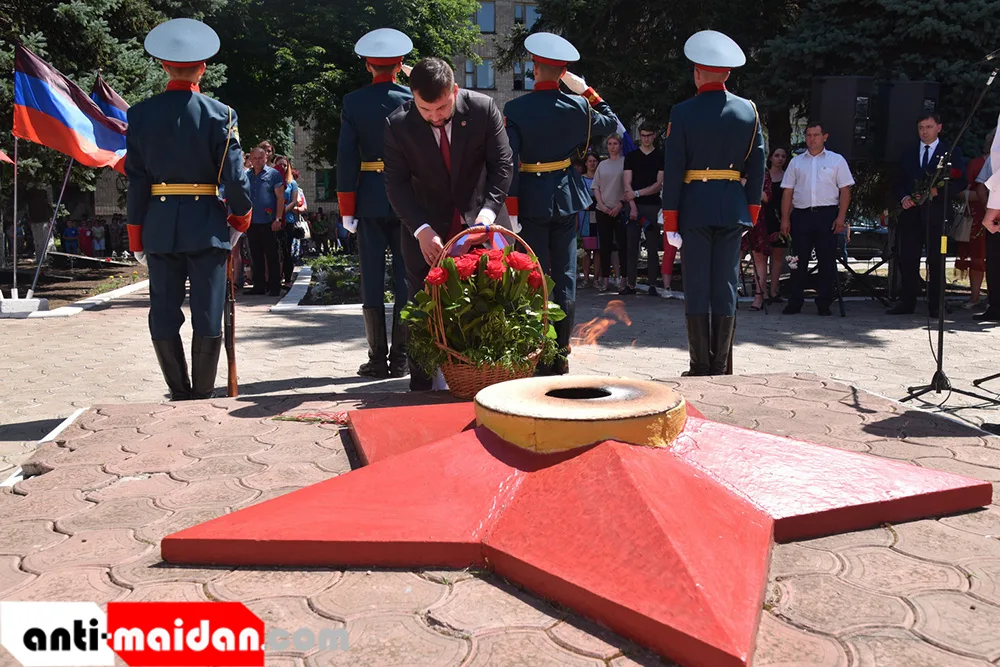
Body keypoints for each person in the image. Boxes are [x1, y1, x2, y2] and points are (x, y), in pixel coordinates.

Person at [125, 18, 252, 400]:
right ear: (203, 68)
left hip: (160, 225)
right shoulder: (221, 114)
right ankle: (202, 393)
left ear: (165, 66)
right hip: (206, 225)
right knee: (208, 312)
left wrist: (136, 234)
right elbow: (235, 178)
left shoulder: (140, 114)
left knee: (163, 313)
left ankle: (178, 390)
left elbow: (136, 180)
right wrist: (240, 216)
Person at [383, 56, 513, 390]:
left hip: (481, 218)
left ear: (454, 90)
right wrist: (421, 230)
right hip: (428, 226)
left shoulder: (483, 109)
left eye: (442, 107)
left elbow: (502, 166)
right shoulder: (398, 124)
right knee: (421, 306)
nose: (435, 117)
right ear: (413, 97)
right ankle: (422, 385)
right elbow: (396, 185)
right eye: (425, 110)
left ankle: (493, 382)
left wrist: (486, 217)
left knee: (493, 302)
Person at [503, 32, 620, 374]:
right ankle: (560, 354)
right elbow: (613, 123)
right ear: (564, 73)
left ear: (535, 69)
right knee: (566, 276)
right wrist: (585, 91)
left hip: (531, 198)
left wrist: (512, 208)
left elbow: (510, 162)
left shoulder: (515, 109)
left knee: (535, 276)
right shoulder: (579, 106)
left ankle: (537, 351)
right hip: (566, 197)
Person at [660, 30, 765, 376]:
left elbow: (674, 169)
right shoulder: (748, 111)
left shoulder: (682, 112)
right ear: (728, 73)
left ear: (697, 73)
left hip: (694, 208)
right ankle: (721, 365)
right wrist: (751, 211)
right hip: (732, 207)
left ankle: (700, 364)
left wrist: (671, 221)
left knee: (697, 286)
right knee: (726, 286)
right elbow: (758, 165)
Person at [337, 28, 414, 379]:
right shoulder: (412, 99)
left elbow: (346, 158)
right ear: (400, 65)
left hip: (368, 197)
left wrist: (347, 207)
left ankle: (377, 358)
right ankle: (401, 358)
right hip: (406, 197)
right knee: (405, 277)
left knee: (371, 277)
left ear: (368, 65)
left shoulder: (353, 102)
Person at [890, 112, 966, 317]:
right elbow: (898, 182)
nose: (924, 132)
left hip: (937, 215)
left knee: (936, 260)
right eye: (921, 128)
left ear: (939, 128)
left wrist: (938, 191)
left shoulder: (950, 152)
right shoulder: (908, 153)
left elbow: (961, 182)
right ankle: (907, 302)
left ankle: (936, 304)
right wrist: (904, 197)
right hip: (911, 215)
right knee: (908, 259)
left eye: (929, 127)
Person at [780, 122, 854, 316]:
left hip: (827, 215)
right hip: (801, 215)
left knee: (827, 260)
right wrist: (785, 219)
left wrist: (841, 217)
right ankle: (795, 302)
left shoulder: (836, 160)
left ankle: (824, 303)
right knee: (798, 260)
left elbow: (845, 190)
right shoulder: (796, 162)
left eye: (816, 135)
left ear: (825, 137)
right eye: (808, 135)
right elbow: (787, 192)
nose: (812, 139)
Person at [624, 121, 667, 297]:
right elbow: (626, 183)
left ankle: (652, 285)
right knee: (631, 246)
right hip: (633, 206)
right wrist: (633, 205)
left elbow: (658, 185)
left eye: (649, 135)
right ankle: (630, 284)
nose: (646, 139)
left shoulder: (660, 156)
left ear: (654, 136)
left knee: (652, 247)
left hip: (652, 206)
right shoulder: (631, 156)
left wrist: (637, 193)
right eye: (643, 135)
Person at [746, 146, 788, 309]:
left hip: (779, 217)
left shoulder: (787, 176)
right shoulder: (763, 174)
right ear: (770, 158)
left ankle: (773, 290)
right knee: (760, 256)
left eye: (783, 156)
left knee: (777, 256)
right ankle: (761, 292)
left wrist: (786, 218)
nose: (780, 158)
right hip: (763, 217)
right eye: (777, 155)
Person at [956, 130, 994, 309]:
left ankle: (993, 299)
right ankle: (975, 297)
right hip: (978, 219)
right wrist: (987, 199)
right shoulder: (978, 163)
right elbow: (963, 191)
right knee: (977, 259)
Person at [245, 146, 285, 296]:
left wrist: (278, 219)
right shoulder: (247, 175)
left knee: (272, 255)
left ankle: (275, 287)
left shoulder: (273, 174)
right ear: (250, 159)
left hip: (269, 221)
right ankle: (259, 286)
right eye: (254, 158)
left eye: (260, 158)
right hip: (252, 221)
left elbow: (280, 198)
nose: (257, 161)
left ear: (266, 158)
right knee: (255, 255)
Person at [592, 135, 625, 292]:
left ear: (620, 145)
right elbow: (595, 187)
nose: (612, 146)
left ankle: (621, 278)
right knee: (604, 247)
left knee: (621, 246)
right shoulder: (602, 165)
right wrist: (601, 205)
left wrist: (620, 204)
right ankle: (605, 280)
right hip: (603, 210)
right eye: (610, 144)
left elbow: (628, 186)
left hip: (620, 210)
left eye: (615, 143)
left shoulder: (625, 163)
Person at [978, 121, 1000, 321]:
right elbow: (982, 186)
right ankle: (995, 305)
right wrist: (988, 208)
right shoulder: (991, 161)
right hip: (996, 221)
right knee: (994, 263)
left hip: (995, 215)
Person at [274, 155, 299, 287]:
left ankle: (287, 279)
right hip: (274, 220)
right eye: (280, 165)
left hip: (288, 221)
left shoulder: (292, 183)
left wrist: (282, 211)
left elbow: (294, 201)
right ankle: (275, 279)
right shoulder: (272, 180)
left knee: (286, 250)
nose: (283, 167)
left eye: (285, 165)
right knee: (274, 250)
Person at [578, 153, 600, 287]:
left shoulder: (601, 178)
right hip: (584, 217)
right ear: (585, 163)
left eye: (594, 161)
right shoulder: (580, 179)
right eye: (589, 161)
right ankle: (585, 278)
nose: (592, 163)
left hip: (598, 215)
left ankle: (596, 279)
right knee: (585, 249)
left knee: (597, 249)